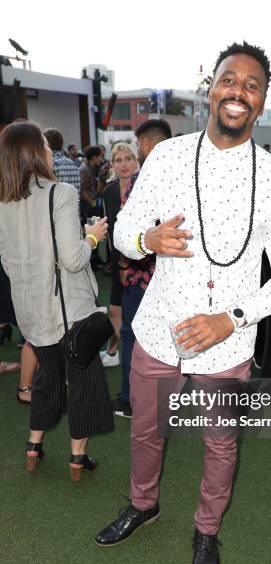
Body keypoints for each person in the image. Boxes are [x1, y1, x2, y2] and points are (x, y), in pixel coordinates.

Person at [94, 41, 271, 564]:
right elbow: (122, 234)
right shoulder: (165, 157)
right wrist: (146, 238)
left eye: (252, 85)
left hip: (227, 341)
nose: (238, 91)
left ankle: (206, 529)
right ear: (211, 88)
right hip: (159, 327)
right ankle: (143, 505)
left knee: (220, 443)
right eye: (229, 80)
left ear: (261, 102)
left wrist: (231, 319)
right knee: (145, 429)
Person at [0, 121, 114, 479]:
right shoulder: (59, 192)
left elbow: (6, 260)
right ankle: (77, 458)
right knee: (84, 384)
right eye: (44, 146)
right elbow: (74, 259)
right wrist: (93, 237)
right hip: (69, 312)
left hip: (31, 310)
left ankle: (34, 446)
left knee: (48, 380)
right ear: (36, 151)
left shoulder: (3, 201)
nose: (50, 150)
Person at [112, 120, 172, 417]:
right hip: (176, 276)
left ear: (146, 145)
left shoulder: (143, 178)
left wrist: (124, 265)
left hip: (143, 276)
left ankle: (128, 400)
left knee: (131, 337)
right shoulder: (185, 174)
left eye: (137, 145)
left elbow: (128, 231)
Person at [100, 142, 140, 367]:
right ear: (112, 164)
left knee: (133, 310)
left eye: (128, 159)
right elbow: (110, 228)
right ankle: (118, 352)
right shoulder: (109, 191)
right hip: (118, 258)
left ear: (135, 161)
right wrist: (113, 261)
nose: (124, 164)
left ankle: (127, 354)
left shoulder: (144, 187)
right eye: (118, 160)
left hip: (141, 259)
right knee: (116, 309)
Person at [43, 128, 81, 196]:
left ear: (48, 144)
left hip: (56, 206)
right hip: (75, 206)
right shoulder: (73, 164)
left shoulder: (49, 164)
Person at [79, 145, 103, 223]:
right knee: (93, 229)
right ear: (94, 157)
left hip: (91, 204)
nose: (101, 159)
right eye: (100, 156)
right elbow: (82, 191)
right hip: (88, 206)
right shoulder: (84, 169)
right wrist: (93, 204)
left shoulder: (91, 167)